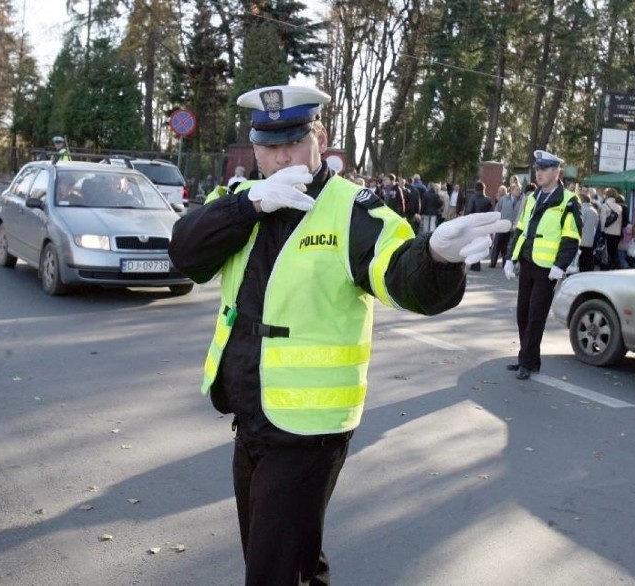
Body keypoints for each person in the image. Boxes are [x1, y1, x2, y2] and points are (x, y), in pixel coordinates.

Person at [167, 84, 509, 586]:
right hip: (251, 415)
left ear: (320, 137)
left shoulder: (351, 209)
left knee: (272, 571)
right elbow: (186, 253)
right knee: (291, 556)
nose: (281, 157)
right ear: (254, 147)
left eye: (293, 141)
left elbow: (398, 276)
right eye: (268, 144)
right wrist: (248, 208)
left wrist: (434, 258)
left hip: (310, 429)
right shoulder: (242, 200)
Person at [503, 150, 581, 380]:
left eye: (544, 169)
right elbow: (521, 229)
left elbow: (571, 236)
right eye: (537, 169)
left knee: (536, 315)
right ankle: (529, 359)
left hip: (548, 268)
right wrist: (510, 257)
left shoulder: (569, 200)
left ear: (557, 172)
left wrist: (561, 265)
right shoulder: (533, 198)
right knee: (523, 314)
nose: (539, 173)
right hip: (528, 262)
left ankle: (526, 362)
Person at [464, 181, 493, 271]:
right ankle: (477, 263)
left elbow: (469, 211)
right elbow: (491, 212)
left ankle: (475, 264)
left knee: (474, 244)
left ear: (475, 189)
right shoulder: (488, 199)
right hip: (484, 224)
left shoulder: (472, 198)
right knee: (481, 244)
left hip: (474, 224)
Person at [490, 183, 521, 268]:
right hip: (502, 226)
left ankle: (505, 262)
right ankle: (493, 262)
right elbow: (497, 210)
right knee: (497, 244)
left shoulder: (521, 200)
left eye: (519, 189)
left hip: (513, 227)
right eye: (517, 190)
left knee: (507, 246)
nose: (519, 191)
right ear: (511, 191)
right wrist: (497, 221)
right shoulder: (503, 199)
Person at [599, 188, 623, 269]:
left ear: (607, 195)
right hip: (617, 233)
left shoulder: (604, 206)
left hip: (607, 232)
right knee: (614, 251)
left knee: (607, 251)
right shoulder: (619, 207)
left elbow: (603, 220)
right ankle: (615, 265)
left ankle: (608, 266)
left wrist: (601, 231)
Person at [578, 187, 599, 272]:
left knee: (580, 262)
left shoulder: (583, 209)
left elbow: (580, 224)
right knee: (586, 261)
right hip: (590, 240)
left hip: (581, 240)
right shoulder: (594, 210)